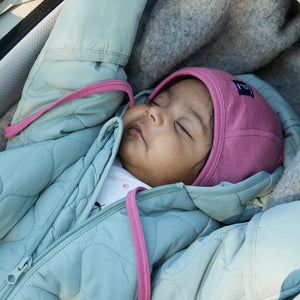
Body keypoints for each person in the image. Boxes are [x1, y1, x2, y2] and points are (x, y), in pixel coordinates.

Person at [0, 0, 299, 299]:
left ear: (213, 184)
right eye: (157, 101)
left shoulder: (186, 242)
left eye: (183, 127)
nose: (153, 114)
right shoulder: (80, 136)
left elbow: (247, 266)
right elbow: (79, 58)